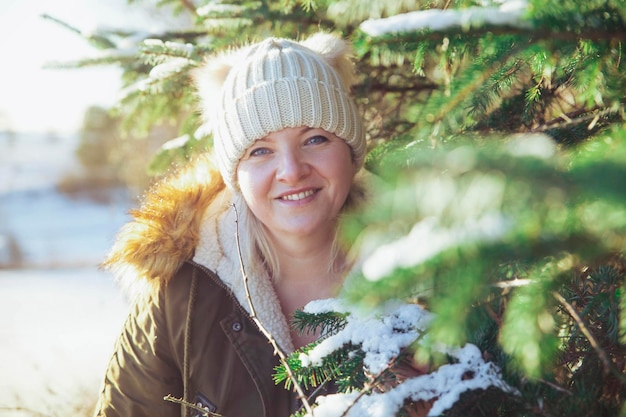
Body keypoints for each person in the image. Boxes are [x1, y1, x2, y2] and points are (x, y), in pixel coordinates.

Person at [94, 31, 367, 417]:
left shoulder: (429, 271)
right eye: (260, 150)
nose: (291, 170)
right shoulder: (181, 295)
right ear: (235, 175)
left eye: (316, 139)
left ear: (351, 152)